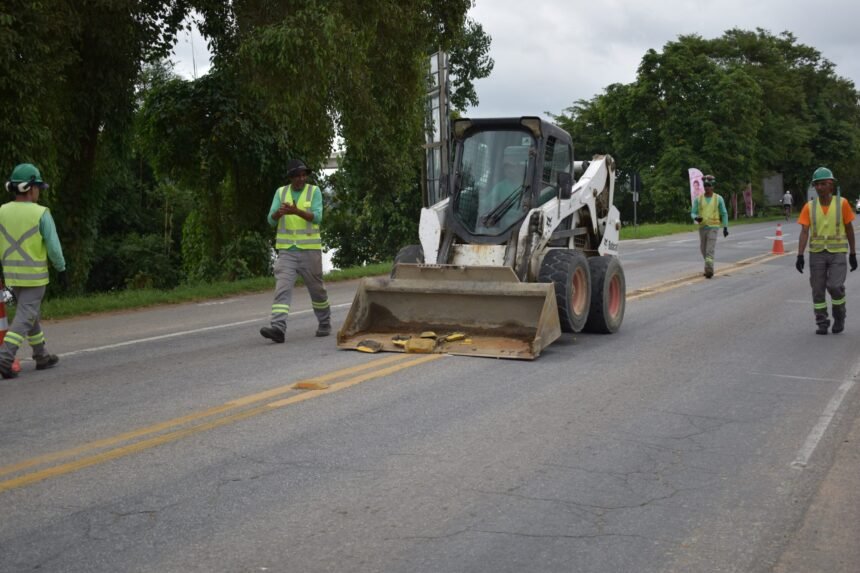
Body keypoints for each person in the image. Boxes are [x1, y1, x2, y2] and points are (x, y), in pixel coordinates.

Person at [0, 163, 66, 379]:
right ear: (29, 188)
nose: (39, 191)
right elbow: (54, 247)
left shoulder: (2, 211)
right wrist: (61, 268)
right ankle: (5, 358)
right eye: (38, 187)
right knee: (25, 317)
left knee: (30, 314)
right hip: (34, 277)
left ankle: (41, 355)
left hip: (12, 276)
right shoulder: (41, 213)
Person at [260, 159, 331, 343]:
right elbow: (271, 220)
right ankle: (278, 328)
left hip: (310, 250)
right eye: (298, 175)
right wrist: (279, 213)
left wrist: (295, 211)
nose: (301, 178)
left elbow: (317, 218)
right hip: (287, 251)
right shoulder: (281, 192)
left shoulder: (313, 191)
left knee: (317, 291)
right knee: (282, 289)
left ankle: (324, 323)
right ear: (291, 177)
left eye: (304, 175)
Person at [795, 166, 857, 334]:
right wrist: (800, 255)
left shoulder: (842, 203)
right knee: (817, 289)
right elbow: (804, 231)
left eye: (823, 184)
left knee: (835, 286)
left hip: (837, 253)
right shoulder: (809, 206)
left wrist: (853, 253)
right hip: (817, 254)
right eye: (817, 185)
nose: (820, 188)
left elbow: (849, 229)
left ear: (831, 185)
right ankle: (822, 321)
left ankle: (839, 315)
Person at [690, 174, 729, 278]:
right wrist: (695, 218)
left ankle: (709, 270)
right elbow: (693, 213)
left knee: (709, 250)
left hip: (713, 227)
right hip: (702, 228)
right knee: (703, 249)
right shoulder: (699, 199)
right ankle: (708, 265)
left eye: (709, 185)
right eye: (705, 185)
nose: (707, 187)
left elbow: (724, 213)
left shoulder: (718, 198)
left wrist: (725, 227)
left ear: (712, 187)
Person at [477, 162, 524, 232]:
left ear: (517, 169)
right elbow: (487, 201)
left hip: (521, 222)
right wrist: (477, 199)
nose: (509, 171)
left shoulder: (525, 186)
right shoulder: (501, 186)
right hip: (504, 223)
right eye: (506, 168)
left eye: (512, 167)